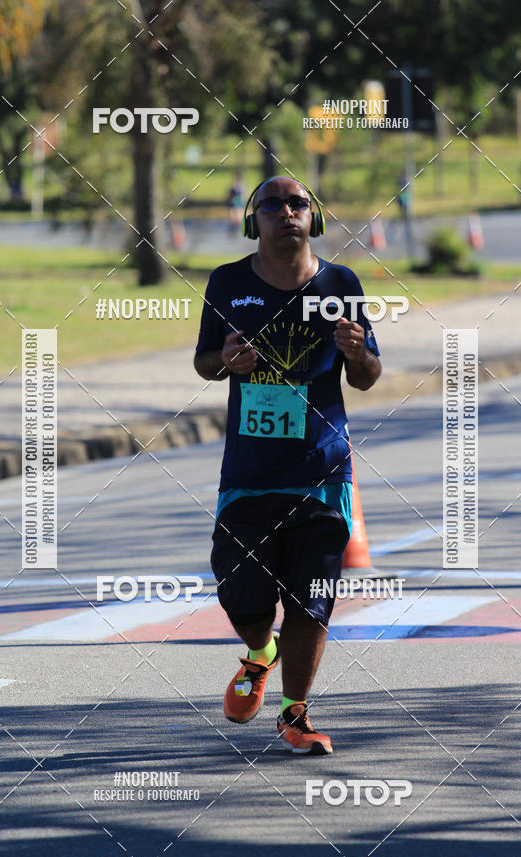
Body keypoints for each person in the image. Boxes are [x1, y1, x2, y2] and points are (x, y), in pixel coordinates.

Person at [194, 176, 381, 755]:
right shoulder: (226, 282)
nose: (285, 212)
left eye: (297, 204)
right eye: (271, 205)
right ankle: (259, 652)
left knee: (313, 599)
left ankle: (295, 715)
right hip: (249, 473)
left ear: (314, 219)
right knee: (244, 595)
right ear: (254, 221)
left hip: (323, 473)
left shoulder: (340, 283)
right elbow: (204, 363)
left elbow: (368, 375)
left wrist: (357, 352)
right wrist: (224, 359)